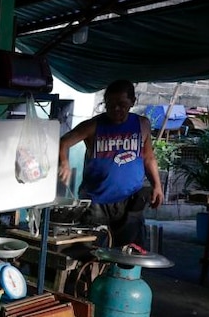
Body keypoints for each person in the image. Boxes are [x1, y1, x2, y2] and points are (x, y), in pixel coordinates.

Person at [58, 79, 164, 247]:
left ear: (132, 102)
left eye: (121, 104)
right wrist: (64, 162)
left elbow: (148, 157)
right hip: (96, 202)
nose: (116, 109)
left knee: (129, 253)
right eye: (110, 104)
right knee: (91, 252)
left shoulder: (142, 125)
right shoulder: (93, 126)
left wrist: (157, 186)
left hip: (130, 201)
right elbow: (63, 142)